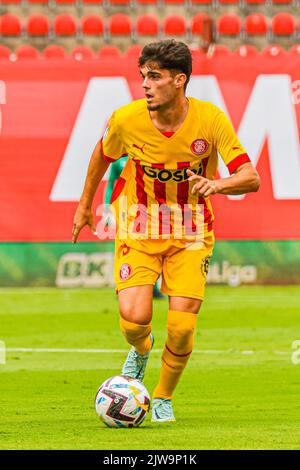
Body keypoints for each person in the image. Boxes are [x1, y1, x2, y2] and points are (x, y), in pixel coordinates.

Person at [72, 40, 260, 423]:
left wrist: (217, 185)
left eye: (154, 77)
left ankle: (161, 398)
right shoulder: (126, 120)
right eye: (143, 76)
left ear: (179, 80)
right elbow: (100, 155)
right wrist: (84, 205)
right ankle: (141, 350)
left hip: (191, 231)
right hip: (139, 224)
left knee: (181, 325)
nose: (145, 84)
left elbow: (250, 177)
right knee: (133, 318)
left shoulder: (210, 120)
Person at [104, 156, 164, 299]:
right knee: (124, 245)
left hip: (145, 208)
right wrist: (107, 210)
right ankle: (123, 283)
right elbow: (110, 184)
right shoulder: (118, 162)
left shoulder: (142, 156)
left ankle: (152, 286)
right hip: (124, 208)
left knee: (151, 245)